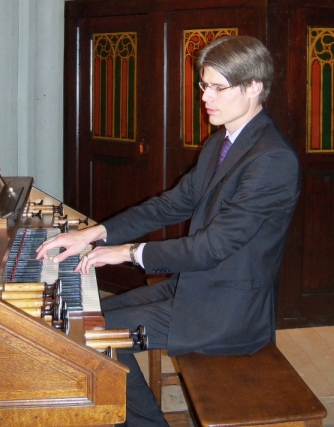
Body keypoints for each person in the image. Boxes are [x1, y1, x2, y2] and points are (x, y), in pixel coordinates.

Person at [36, 35, 301, 426]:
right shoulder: (222, 142)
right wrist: (94, 234)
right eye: (203, 85)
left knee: (93, 334)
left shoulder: (272, 159)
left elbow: (209, 248)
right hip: (197, 286)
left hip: (227, 311)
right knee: (88, 316)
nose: (205, 97)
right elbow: (171, 203)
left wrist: (127, 253)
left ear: (253, 87)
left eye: (217, 87)